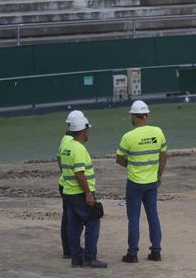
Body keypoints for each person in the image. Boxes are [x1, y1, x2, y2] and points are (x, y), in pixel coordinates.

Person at [115, 99, 167, 263]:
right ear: (146, 116)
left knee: (134, 218)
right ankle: (156, 251)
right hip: (152, 182)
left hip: (135, 183)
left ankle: (132, 253)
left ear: (134, 116)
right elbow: (163, 156)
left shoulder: (128, 137)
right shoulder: (158, 132)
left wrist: (131, 164)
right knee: (153, 216)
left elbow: (119, 158)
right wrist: (158, 175)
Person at [58, 110, 106, 269]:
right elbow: (80, 174)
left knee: (74, 225)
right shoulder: (78, 149)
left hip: (69, 192)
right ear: (84, 130)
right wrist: (88, 194)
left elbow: (63, 165)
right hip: (79, 193)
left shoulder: (67, 146)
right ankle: (90, 257)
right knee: (93, 221)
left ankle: (76, 258)